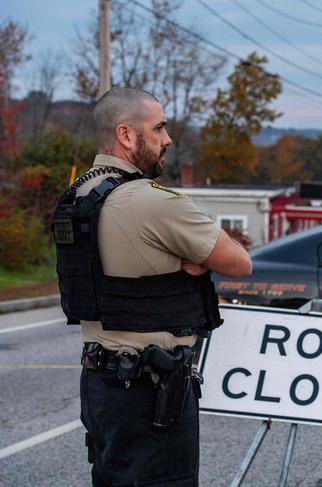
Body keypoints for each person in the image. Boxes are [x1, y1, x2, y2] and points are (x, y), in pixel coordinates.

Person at [54, 87, 252, 486]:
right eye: (159, 128)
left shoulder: (77, 198)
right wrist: (192, 261)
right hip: (152, 392)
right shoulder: (152, 202)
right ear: (126, 135)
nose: (168, 139)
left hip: (100, 386)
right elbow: (238, 262)